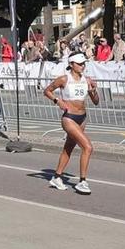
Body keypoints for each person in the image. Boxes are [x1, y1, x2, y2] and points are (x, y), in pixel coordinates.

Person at [42, 52, 99, 194]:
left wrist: (93, 90)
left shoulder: (86, 79)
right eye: (79, 64)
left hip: (82, 117)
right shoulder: (64, 79)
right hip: (69, 118)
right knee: (88, 147)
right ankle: (82, 181)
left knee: (68, 148)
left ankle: (57, 177)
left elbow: (96, 101)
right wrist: (58, 101)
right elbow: (47, 91)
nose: (82, 66)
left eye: (83, 63)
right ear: (71, 64)